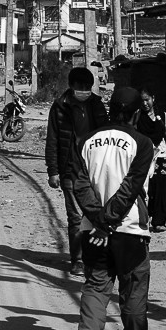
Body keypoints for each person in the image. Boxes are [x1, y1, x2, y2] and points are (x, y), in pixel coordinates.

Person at [73, 85, 160, 330]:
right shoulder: (142, 144)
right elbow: (130, 188)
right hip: (130, 230)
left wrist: (98, 221)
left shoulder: (85, 141)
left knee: (97, 287)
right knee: (133, 288)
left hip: (93, 230)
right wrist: (109, 223)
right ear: (136, 114)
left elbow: (80, 185)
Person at [45, 66, 110, 276]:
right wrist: (53, 171)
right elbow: (53, 140)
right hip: (70, 170)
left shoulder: (97, 106)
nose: (84, 90)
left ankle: (96, 258)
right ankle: (78, 260)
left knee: (96, 215)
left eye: (87, 87)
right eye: (80, 87)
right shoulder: (60, 108)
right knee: (75, 218)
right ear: (72, 87)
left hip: (96, 170)